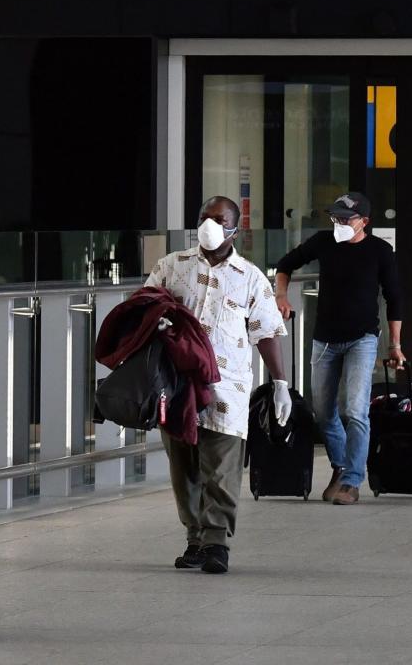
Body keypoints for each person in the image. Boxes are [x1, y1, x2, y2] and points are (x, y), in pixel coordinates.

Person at [145, 196, 290, 574]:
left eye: (219, 219)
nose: (210, 225)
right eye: (204, 217)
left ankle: (216, 541)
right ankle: (195, 537)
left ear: (234, 228)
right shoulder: (172, 266)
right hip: (177, 385)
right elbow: (143, 307)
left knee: (222, 465)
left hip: (228, 387)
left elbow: (267, 331)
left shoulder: (249, 277)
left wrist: (280, 382)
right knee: (184, 467)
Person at [274, 192, 405, 506]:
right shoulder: (323, 242)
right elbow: (285, 264)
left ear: (365, 222)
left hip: (363, 339)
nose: (340, 224)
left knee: (355, 410)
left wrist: (395, 344)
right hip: (325, 340)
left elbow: (395, 298)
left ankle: (351, 481)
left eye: (347, 219)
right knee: (324, 412)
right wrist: (280, 295)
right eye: (335, 218)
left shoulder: (380, 251)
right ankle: (342, 464)